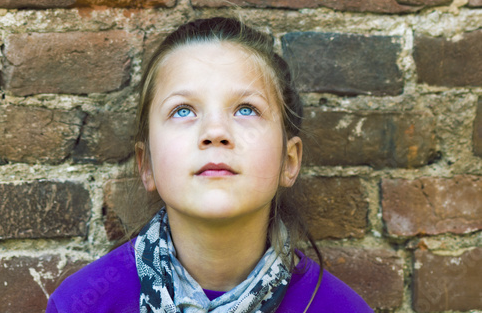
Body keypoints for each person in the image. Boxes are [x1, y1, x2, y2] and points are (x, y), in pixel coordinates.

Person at [46, 16, 373, 313]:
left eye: (246, 109)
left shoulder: (338, 308)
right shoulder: (83, 303)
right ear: (147, 166)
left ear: (288, 162)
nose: (215, 132)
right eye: (183, 110)